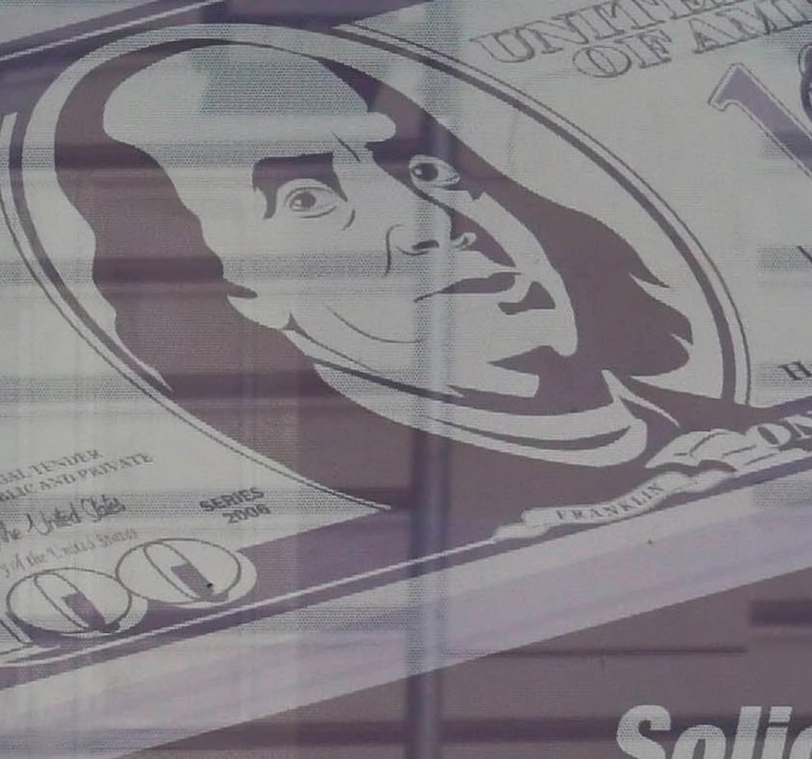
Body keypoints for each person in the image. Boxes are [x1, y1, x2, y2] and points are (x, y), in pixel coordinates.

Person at [52, 31, 764, 504]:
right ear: (239, 287)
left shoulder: (731, 427)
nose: (430, 225)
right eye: (308, 198)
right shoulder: (372, 500)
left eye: (425, 168)